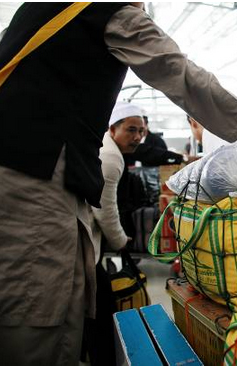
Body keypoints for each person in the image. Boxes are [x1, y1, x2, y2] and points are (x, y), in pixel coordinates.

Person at [0, 3, 237, 365]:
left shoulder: (36, 15)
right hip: (33, 171)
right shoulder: (101, 7)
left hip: (18, 170)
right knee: (38, 303)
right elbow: (173, 67)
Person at [84, 101, 145, 365]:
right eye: (131, 130)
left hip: (92, 241)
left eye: (141, 131)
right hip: (89, 243)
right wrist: (121, 239)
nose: (138, 137)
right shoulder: (110, 157)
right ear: (113, 129)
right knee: (101, 303)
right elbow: (104, 207)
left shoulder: (107, 149)